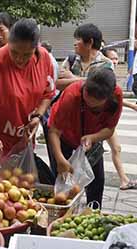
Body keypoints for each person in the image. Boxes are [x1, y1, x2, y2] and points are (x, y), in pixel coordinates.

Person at [0, 18, 56, 162]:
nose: (19, 59)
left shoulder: (44, 58)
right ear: (9, 43)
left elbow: (48, 94)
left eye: (26, 55)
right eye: (14, 52)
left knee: (21, 182)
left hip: (24, 138)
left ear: (36, 48)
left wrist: (38, 116)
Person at [48, 68, 123, 208]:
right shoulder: (71, 95)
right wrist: (59, 159)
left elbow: (109, 129)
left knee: (96, 180)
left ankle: (93, 214)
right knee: (62, 182)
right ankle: (61, 214)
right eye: (86, 102)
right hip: (64, 139)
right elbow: (54, 131)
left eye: (95, 108)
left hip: (90, 143)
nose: (90, 107)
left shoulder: (116, 96)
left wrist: (93, 137)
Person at [101, 47, 137, 190]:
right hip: (100, 120)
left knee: (116, 148)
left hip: (107, 119)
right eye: (112, 58)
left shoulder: (109, 73)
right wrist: (134, 107)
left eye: (116, 58)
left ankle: (124, 180)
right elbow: (113, 97)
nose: (115, 61)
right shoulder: (104, 74)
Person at [56, 23, 113, 91]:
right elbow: (58, 84)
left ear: (90, 42)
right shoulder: (71, 60)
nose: (75, 43)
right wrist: (89, 80)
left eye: (78, 39)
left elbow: (100, 87)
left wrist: (72, 77)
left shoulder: (106, 63)